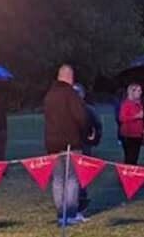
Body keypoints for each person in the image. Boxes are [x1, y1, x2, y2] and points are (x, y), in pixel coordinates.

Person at [44, 65, 88, 227]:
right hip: (71, 142)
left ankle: (60, 213)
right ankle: (70, 214)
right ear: (69, 76)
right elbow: (81, 117)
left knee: (57, 179)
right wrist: (85, 130)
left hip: (52, 144)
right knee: (71, 179)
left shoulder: (49, 95)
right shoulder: (71, 94)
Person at [74, 83, 101, 221]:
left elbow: (97, 127)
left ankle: (80, 207)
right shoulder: (65, 110)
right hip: (67, 148)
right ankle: (69, 208)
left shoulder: (89, 110)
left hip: (84, 148)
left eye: (78, 93)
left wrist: (93, 138)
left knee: (81, 179)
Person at [118, 83, 144, 165]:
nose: (140, 92)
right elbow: (122, 118)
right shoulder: (126, 104)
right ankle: (127, 176)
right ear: (132, 92)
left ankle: (131, 175)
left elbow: (142, 118)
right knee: (130, 158)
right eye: (138, 90)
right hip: (128, 135)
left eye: (140, 90)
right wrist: (136, 116)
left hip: (137, 135)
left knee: (135, 158)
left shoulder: (139, 104)